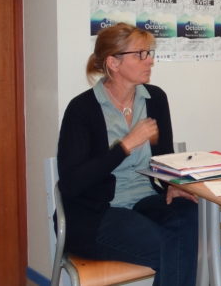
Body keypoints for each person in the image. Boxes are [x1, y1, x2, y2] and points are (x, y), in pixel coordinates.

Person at [57, 23, 198, 286]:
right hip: (98, 211)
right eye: (140, 54)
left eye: (149, 53)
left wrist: (171, 185)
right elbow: (72, 183)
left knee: (191, 216)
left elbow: (164, 156)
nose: (150, 60)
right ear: (113, 62)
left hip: (145, 197)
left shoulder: (155, 98)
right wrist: (125, 146)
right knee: (172, 246)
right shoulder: (82, 109)